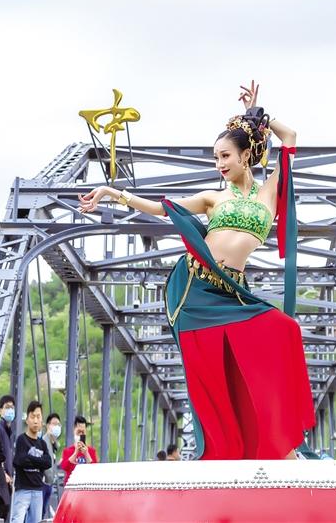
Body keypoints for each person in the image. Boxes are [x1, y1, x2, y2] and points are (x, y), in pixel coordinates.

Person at [78, 80, 315, 460]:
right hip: (196, 289)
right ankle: (231, 450)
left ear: (245, 155)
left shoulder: (270, 192)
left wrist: (257, 117)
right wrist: (111, 192)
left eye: (225, 155)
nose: (219, 164)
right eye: (215, 157)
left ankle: (277, 444)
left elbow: (290, 137)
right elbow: (161, 209)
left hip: (233, 293)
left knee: (282, 329)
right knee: (213, 378)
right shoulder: (212, 198)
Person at [10, 401, 51, 523]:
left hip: (38, 490)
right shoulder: (21, 440)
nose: (35, 420)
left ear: (42, 420)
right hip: (23, 489)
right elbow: (19, 460)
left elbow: (48, 462)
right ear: (27, 419)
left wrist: (30, 459)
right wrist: (39, 461)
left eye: (38, 417)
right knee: (17, 520)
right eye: (32, 417)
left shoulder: (42, 444)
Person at [60, 415, 97, 483]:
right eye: (78, 432)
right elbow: (64, 467)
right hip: (71, 485)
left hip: (86, 485)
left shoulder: (91, 451)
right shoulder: (67, 451)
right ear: (74, 431)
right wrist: (75, 453)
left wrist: (86, 454)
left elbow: (95, 470)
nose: (80, 435)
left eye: (82, 432)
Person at [0, 394, 16, 488]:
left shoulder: (10, 432)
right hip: (1, 480)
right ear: (0, 411)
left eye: (12, 407)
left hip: (8, 480)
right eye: (7, 407)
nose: (10, 410)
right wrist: (3, 473)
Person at [42, 412, 61, 518]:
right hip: (43, 483)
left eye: (58, 424)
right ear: (48, 426)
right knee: (40, 511)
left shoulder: (53, 443)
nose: (57, 427)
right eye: (54, 424)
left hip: (48, 483)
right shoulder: (44, 441)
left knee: (43, 511)